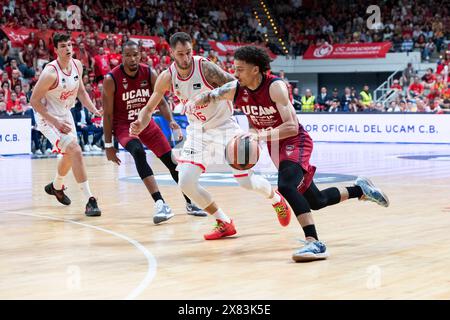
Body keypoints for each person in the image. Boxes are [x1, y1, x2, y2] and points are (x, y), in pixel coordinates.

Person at [187, 46, 390, 262]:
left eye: (240, 69)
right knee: (316, 200)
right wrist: (203, 98)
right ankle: (360, 189)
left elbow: (292, 127)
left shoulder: (276, 87)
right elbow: (213, 94)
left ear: (255, 69)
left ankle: (315, 243)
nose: (236, 74)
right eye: (235, 69)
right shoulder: (236, 89)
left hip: (295, 141)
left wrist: (259, 136)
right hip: (276, 146)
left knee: (285, 186)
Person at [130, 32, 291, 239]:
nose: (185, 58)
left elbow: (237, 86)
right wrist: (140, 122)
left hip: (224, 127)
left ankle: (275, 198)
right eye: (180, 54)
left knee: (245, 182)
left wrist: (217, 100)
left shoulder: (204, 67)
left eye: (188, 52)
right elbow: (150, 106)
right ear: (171, 53)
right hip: (198, 131)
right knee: (185, 183)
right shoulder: (167, 77)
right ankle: (224, 221)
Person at [102, 40, 206, 224]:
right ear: (122, 56)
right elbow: (108, 115)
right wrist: (109, 145)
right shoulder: (111, 79)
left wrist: (171, 122)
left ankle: (190, 203)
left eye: (135, 54)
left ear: (140, 55)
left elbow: (162, 101)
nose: (132, 58)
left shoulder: (149, 73)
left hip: (147, 123)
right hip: (125, 126)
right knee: (138, 152)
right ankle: (160, 203)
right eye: (128, 55)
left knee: (172, 162)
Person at [30, 33, 102, 216]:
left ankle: (56, 186)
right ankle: (90, 200)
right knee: (75, 150)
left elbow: (82, 93)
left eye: (69, 44)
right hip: (48, 117)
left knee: (70, 155)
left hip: (65, 113)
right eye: (63, 46)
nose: (68, 48)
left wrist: (95, 110)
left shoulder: (77, 65)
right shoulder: (50, 73)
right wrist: (55, 122)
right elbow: (34, 101)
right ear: (56, 50)